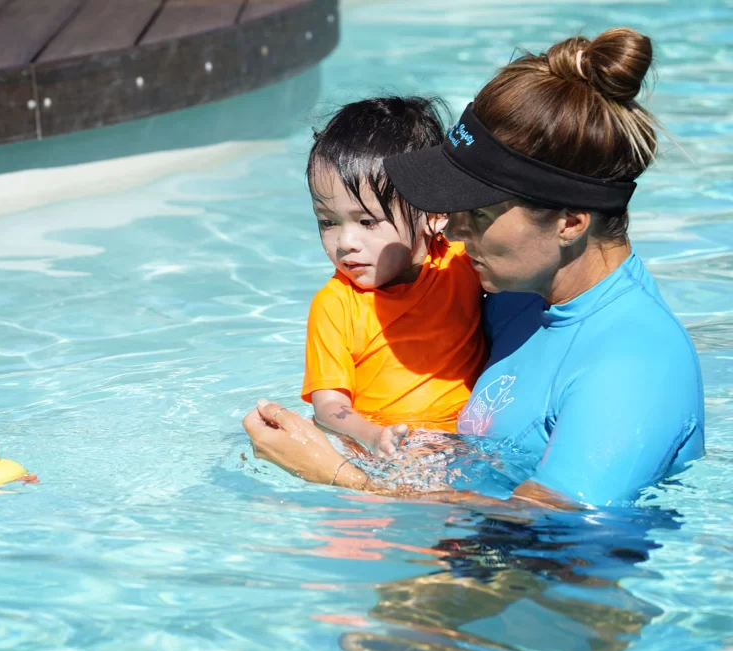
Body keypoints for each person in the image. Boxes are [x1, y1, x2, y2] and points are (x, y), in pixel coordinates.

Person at [243, 27, 705, 508]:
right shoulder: (518, 298)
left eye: (478, 213)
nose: (454, 233)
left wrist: (337, 474)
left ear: (569, 222)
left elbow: (552, 533)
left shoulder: (632, 366)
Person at [302, 97, 486, 459]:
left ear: (433, 214)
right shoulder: (335, 306)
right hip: (384, 453)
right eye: (328, 222)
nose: (345, 243)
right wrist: (373, 436)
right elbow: (328, 407)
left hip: (465, 445)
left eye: (367, 221)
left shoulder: (461, 266)